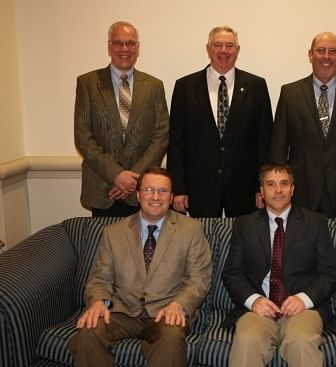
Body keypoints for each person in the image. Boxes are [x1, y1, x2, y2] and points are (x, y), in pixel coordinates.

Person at [69, 167, 212, 366]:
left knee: (171, 338)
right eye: (149, 190)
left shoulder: (191, 230)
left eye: (163, 191)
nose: (156, 196)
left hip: (166, 311)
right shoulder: (113, 233)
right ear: (138, 195)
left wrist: (178, 305)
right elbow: (99, 278)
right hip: (122, 311)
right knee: (88, 332)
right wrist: (99, 302)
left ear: (171, 197)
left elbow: (199, 279)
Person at [221, 162, 336, 367]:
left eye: (284, 184)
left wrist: (303, 299)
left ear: (292, 189)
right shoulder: (244, 225)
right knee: (247, 341)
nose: (278, 190)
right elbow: (232, 273)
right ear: (262, 191)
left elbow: (329, 274)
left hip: (302, 310)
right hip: (257, 311)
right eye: (271, 184)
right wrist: (254, 300)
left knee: (300, 341)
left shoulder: (315, 223)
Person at [167, 25, 273, 217]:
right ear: (208, 49)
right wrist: (179, 188)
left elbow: (264, 142)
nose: (223, 51)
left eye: (229, 45)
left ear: (237, 50)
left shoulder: (257, 86)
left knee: (246, 245)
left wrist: (263, 186)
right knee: (200, 244)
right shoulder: (185, 87)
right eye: (217, 45)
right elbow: (176, 143)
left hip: (245, 189)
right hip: (199, 188)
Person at [270, 32, 336, 218]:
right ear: (310, 54)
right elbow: (279, 147)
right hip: (301, 193)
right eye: (321, 51)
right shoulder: (290, 93)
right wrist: (278, 189)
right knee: (301, 247)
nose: (326, 56)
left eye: (332, 51)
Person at [74, 21, 169, 217]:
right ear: (109, 46)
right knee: (104, 246)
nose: (125, 49)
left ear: (138, 48)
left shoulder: (154, 86)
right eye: (118, 43)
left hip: (141, 190)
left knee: (142, 246)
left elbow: (161, 136)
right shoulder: (88, 83)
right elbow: (83, 137)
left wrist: (134, 178)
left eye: (131, 43)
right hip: (103, 187)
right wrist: (116, 175)